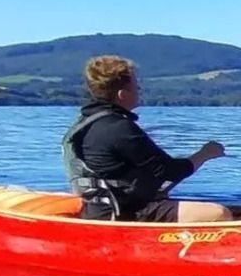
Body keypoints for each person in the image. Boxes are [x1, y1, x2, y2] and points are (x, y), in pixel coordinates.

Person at [62, 55, 232, 222]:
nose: (139, 91)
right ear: (122, 94)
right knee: (219, 213)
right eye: (136, 87)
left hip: (99, 209)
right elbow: (170, 171)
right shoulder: (118, 128)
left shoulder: (86, 123)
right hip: (122, 213)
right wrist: (205, 154)